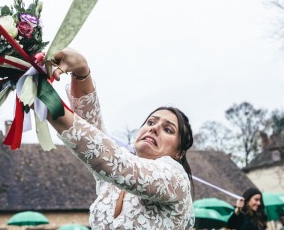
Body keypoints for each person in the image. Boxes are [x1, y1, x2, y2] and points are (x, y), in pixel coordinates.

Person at [43, 48, 195, 229]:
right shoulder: (109, 182)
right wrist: (82, 71)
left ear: (179, 152)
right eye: (150, 122)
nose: (154, 128)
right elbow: (92, 130)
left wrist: (43, 95)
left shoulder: (175, 178)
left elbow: (115, 162)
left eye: (168, 129)